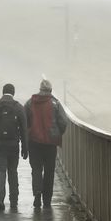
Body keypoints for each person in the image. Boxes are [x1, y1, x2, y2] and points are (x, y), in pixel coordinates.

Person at [0, 83, 28, 211]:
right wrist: (25, 148)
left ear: (3, 92)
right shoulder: (18, 107)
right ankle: (14, 200)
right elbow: (24, 129)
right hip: (13, 144)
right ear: (13, 93)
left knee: (0, 170)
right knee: (13, 171)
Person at [25, 76, 67, 208]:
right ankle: (47, 200)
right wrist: (58, 132)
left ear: (40, 89)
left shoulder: (30, 102)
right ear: (50, 90)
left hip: (34, 142)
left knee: (36, 169)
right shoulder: (55, 103)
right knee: (49, 171)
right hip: (50, 143)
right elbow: (63, 122)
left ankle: (37, 194)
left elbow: (24, 120)